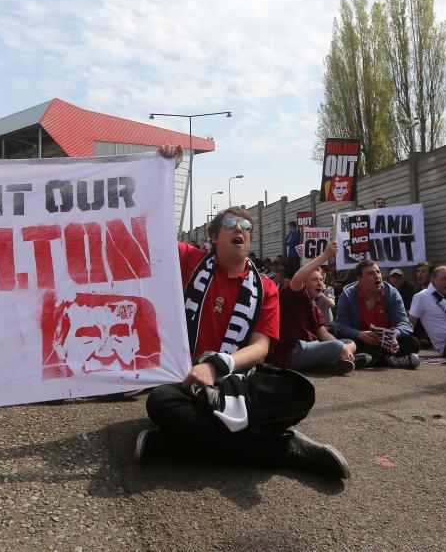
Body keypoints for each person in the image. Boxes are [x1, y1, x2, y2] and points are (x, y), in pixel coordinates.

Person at [132, 145, 351, 480]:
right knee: (159, 402)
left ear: (249, 240)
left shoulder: (266, 287)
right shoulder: (190, 261)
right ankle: (285, 451)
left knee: (297, 395)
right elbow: (151, 228)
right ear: (214, 236)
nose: (241, 228)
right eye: (232, 223)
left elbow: (261, 348)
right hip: (187, 380)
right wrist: (168, 171)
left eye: (246, 226)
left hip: (236, 381)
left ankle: (176, 444)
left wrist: (217, 366)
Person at [270, 241, 357, 375]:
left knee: (350, 343)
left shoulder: (315, 307)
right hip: (293, 352)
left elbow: (323, 334)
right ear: (305, 283)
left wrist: (343, 347)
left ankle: (332, 361)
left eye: (321, 280)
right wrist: (326, 255)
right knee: (338, 346)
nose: (320, 283)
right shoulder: (295, 295)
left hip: (313, 347)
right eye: (315, 280)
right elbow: (297, 278)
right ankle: (337, 358)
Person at [335, 260, 421, 368]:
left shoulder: (392, 293)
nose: (377, 276)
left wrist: (395, 334)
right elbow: (341, 327)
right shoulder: (347, 296)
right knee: (345, 341)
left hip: (387, 341)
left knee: (413, 343)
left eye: (378, 272)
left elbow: (405, 323)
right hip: (362, 340)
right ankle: (389, 359)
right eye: (371, 273)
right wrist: (358, 334)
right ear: (359, 279)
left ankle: (374, 359)